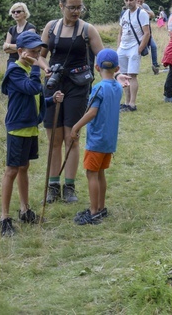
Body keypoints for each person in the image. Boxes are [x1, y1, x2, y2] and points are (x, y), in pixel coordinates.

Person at [40, 0, 106, 204]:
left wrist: (110, 72)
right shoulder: (50, 28)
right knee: (54, 139)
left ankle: (69, 186)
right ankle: (52, 186)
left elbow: (102, 55)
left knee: (72, 136)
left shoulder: (88, 30)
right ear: (61, 6)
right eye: (72, 8)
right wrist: (46, 68)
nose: (77, 12)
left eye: (79, 7)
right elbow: (39, 56)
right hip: (53, 86)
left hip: (78, 87)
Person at [0, 32, 64, 236]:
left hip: (29, 127)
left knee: (24, 167)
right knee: (12, 170)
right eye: (33, 52)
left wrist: (51, 100)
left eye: (38, 52)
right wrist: (37, 67)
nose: (37, 56)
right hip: (18, 128)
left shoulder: (27, 69)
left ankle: (25, 209)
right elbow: (33, 89)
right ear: (20, 51)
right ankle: (4, 217)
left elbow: (33, 101)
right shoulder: (15, 71)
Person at [71, 49, 123, 225]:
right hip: (109, 140)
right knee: (100, 173)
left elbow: (92, 112)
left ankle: (93, 212)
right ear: (117, 68)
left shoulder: (98, 88)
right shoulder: (117, 87)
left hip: (96, 140)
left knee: (91, 174)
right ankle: (100, 208)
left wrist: (76, 126)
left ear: (96, 67)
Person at [117, 0, 150, 112]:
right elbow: (120, 31)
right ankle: (126, 102)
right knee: (124, 75)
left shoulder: (141, 14)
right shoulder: (124, 14)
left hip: (134, 47)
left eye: (131, 0)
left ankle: (132, 103)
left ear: (136, 0)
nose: (128, 3)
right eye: (126, 0)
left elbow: (146, 33)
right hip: (123, 47)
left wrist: (139, 49)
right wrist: (119, 47)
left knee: (132, 75)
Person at [137, 0, 161, 74]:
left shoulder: (145, 6)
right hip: (138, 33)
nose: (139, 3)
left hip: (147, 32)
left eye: (141, 1)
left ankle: (155, 65)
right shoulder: (133, 7)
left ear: (144, 0)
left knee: (153, 47)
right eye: (138, 1)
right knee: (138, 50)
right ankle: (134, 67)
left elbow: (152, 15)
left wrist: (143, 9)